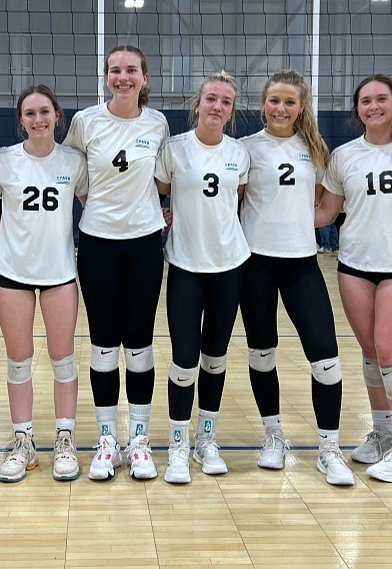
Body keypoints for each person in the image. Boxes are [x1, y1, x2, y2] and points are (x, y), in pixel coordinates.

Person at [236, 69, 353, 486]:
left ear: (301, 107)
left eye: (289, 102)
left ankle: (329, 447)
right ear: (263, 104)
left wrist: (298, 226)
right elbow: (230, 204)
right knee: (261, 353)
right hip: (255, 264)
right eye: (274, 100)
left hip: (302, 262)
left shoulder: (315, 150)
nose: (281, 108)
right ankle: (273, 436)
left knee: (325, 356)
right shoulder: (245, 149)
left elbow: (326, 208)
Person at [315, 74, 392, 483]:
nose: (373, 106)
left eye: (381, 99)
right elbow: (326, 213)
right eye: (365, 101)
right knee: (369, 353)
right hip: (354, 265)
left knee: (389, 353)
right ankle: (383, 435)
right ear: (357, 109)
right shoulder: (344, 156)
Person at [63, 45, 170, 481]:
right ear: (106, 76)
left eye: (131, 71)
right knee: (104, 343)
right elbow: (73, 175)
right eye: (114, 70)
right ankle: (108, 440)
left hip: (145, 243)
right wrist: (100, 209)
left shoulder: (158, 123)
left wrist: (163, 212)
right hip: (98, 244)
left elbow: (168, 177)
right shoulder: (85, 122)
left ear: (144, 77)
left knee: (140, 342)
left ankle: (139, 439)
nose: (122, 77)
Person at [0, 85, 88, 483]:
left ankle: (65, 438)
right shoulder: (4, 161)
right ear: (21, 120)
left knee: (63, 359)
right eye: (30, 113)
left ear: (57, 115)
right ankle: (22, 440)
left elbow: (95, 203)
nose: (38, 119)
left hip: (60, 272)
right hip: (13, 274)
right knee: (18, 360)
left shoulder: (74, 162)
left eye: (45, 111)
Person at [155, 72, 249, 485]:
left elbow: (238, 199)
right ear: (198, 103)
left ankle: (205, 438)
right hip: (186, 266)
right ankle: (178, 442)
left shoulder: (240, 153)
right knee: (184, 358)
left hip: (230, 265)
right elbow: (156, 191)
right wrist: (163, 214)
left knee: (216, 357)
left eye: (226, 102)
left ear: (231, 110)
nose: (217, 107)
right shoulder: (174, 149)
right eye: (212, 98)